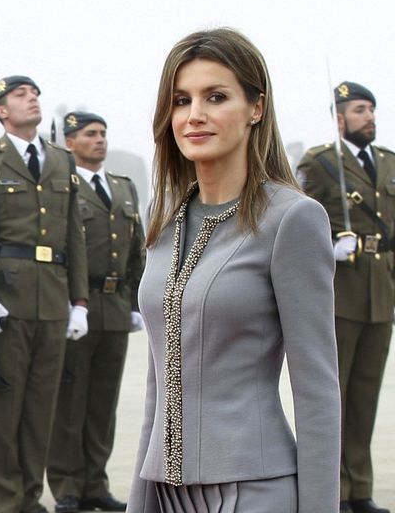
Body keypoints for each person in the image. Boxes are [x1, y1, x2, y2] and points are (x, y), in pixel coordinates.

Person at [128, 28, 340, 511]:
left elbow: (317, 389)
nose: (194, 115)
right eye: (181, 100)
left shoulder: (292, 219)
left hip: (255, 487)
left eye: (216, 96)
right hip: (164, 492)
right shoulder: (160, 221)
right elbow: (158, 380)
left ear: (256, 108)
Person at [0, 75, 89, 513]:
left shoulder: (62, 162)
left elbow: (73, 235)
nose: (33, 99)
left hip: (52, 296)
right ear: (1, 111)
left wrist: (79, 302)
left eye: (35, 94)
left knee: (41, 409)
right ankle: (8, 502)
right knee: (5, 411)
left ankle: (31, 497)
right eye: (20, 95)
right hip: (4, 300)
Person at [297, 81, 392, 513]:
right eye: (359, 109)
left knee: (365, 396)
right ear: (339, 118)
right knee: (331, 396)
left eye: (371, 109)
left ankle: (360, 488)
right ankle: (329, 488)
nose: (369, 116)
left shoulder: (389, 164)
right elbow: (298, 224)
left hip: (380, 291)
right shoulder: (319, 164)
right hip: (338, 291)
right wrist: (329, 245)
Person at [48, 111, 144, 513]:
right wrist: (73, 303)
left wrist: (136, 302)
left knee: (103, 404)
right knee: (71, 401)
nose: (100, 140)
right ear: (70, 142)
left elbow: (137, 248)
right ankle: (67, 485)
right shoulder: (65, 187)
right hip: (79, 303)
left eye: (103, 133)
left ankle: (95, 483)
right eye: (90, 134)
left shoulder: (122, 188)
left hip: (115, 304)